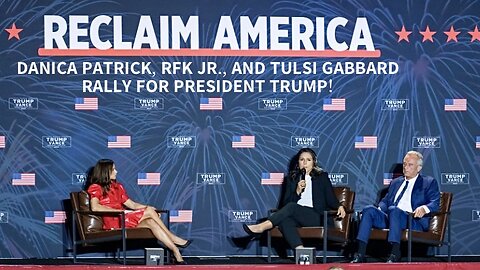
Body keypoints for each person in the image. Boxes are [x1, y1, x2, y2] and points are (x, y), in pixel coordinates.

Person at [86, 159, 191, 264]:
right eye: (113, 169)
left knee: (151, 222)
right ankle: (173, 238)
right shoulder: (96, 187)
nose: (116, 171)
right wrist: (121, 212)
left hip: (125, 218)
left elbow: (132, 205)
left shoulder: (118, 187)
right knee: (149, 212)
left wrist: (148, 207)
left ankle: (176, 251)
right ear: (105, 172)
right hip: (114, 220)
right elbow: (95, 207)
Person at [243, 148, 346, 250]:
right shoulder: (291, 179)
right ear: (298, 163)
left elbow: (331, 198)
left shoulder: (322, 177)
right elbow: (285, 205)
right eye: (302, 160)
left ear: (314, 163)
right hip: (297, 215)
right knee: (285, 221)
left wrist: (340, 206)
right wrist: (297, 191)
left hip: (317, 217)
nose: (305, 163)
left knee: (292, 207)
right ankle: (300, 251)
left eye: (308, 160)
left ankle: (263, 226)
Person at [351, 150, 440, 263]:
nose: (405, 167)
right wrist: (378, 210)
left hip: (412, 220)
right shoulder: (396, 182)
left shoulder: (428, 182)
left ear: (419, 168)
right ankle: (360, 253)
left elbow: (435, 202)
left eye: (410, 165)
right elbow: (386, 201)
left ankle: (395, 252)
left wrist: (423, 208)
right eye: (404, 164)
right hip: (391, 217)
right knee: (369, 209)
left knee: (394, 210)